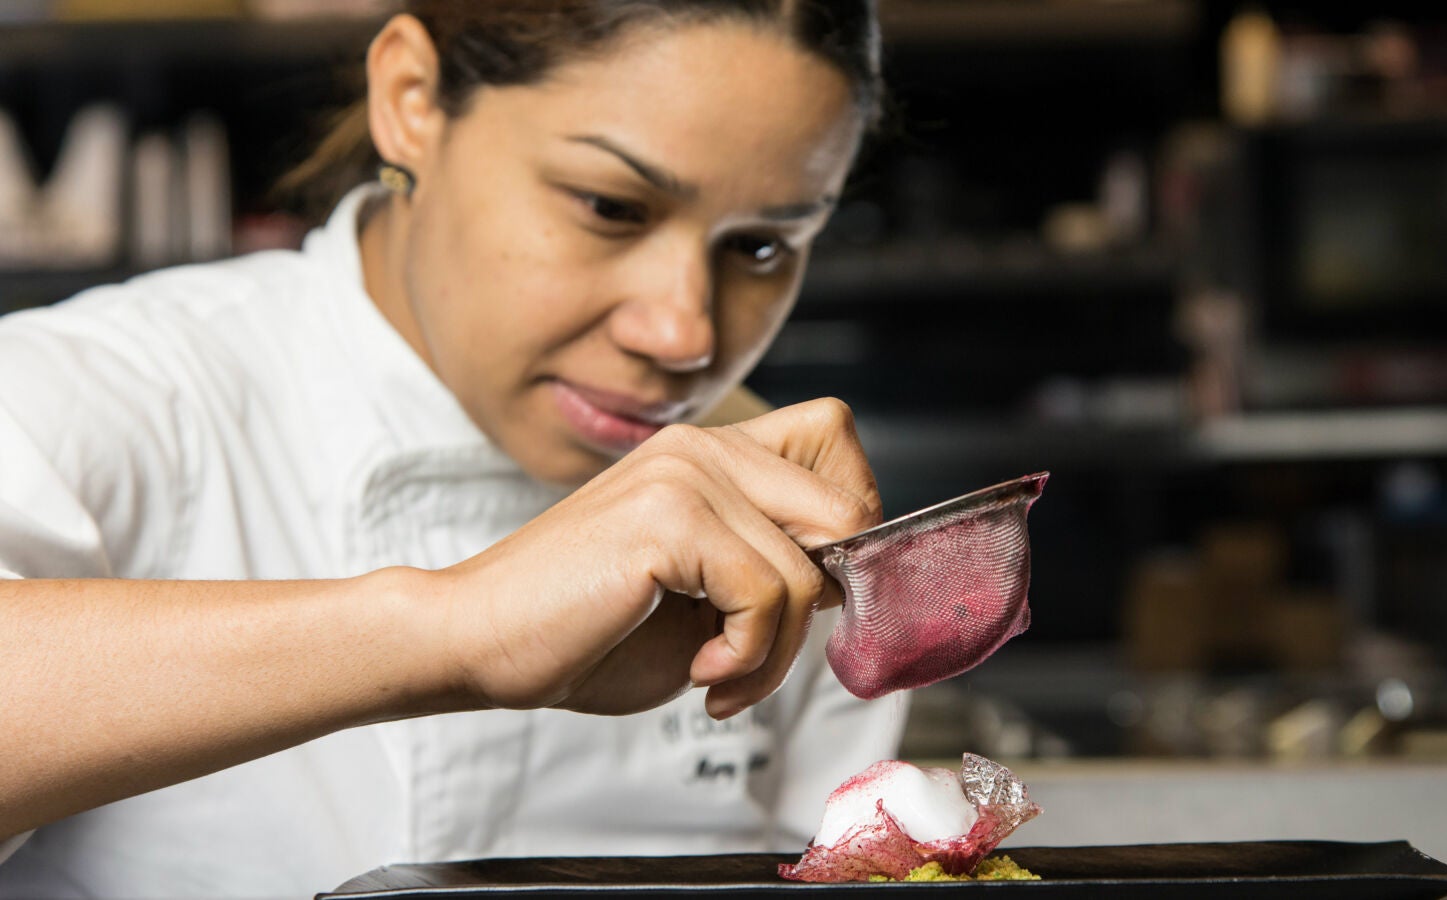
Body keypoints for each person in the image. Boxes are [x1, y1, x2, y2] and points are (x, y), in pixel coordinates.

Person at [0, 2, 907, 896]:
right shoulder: (94, 397)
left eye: (761, 247)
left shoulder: (785, 513)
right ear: (411, 100)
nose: (683, 334)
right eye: (611, 207)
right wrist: (450, 627)